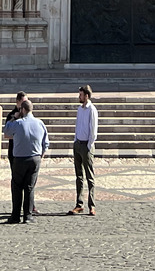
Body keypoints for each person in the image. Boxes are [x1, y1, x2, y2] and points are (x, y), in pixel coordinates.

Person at [4, 96, 49, 223]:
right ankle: (28, 216)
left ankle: (15, 216)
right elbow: (46, 143)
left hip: (19, 159)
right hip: (35, 158)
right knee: (30, 187)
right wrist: (41, 155)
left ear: (23, 110)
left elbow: (6, 130)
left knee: (17, 187)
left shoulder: (18, 123)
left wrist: (14, 117)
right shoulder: (40, 123)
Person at [68, 85, 98, 216]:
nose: (78, 97)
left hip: (86, 145)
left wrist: (89, 144)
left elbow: (93, 129)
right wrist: (75, 140)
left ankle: (92, 205)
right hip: (78, 144)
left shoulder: (92, 110)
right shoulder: (80, 109)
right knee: (78, 176)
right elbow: (77, 125)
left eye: (80, 94)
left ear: (86, 95)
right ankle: (79, 204)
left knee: (89, 177)